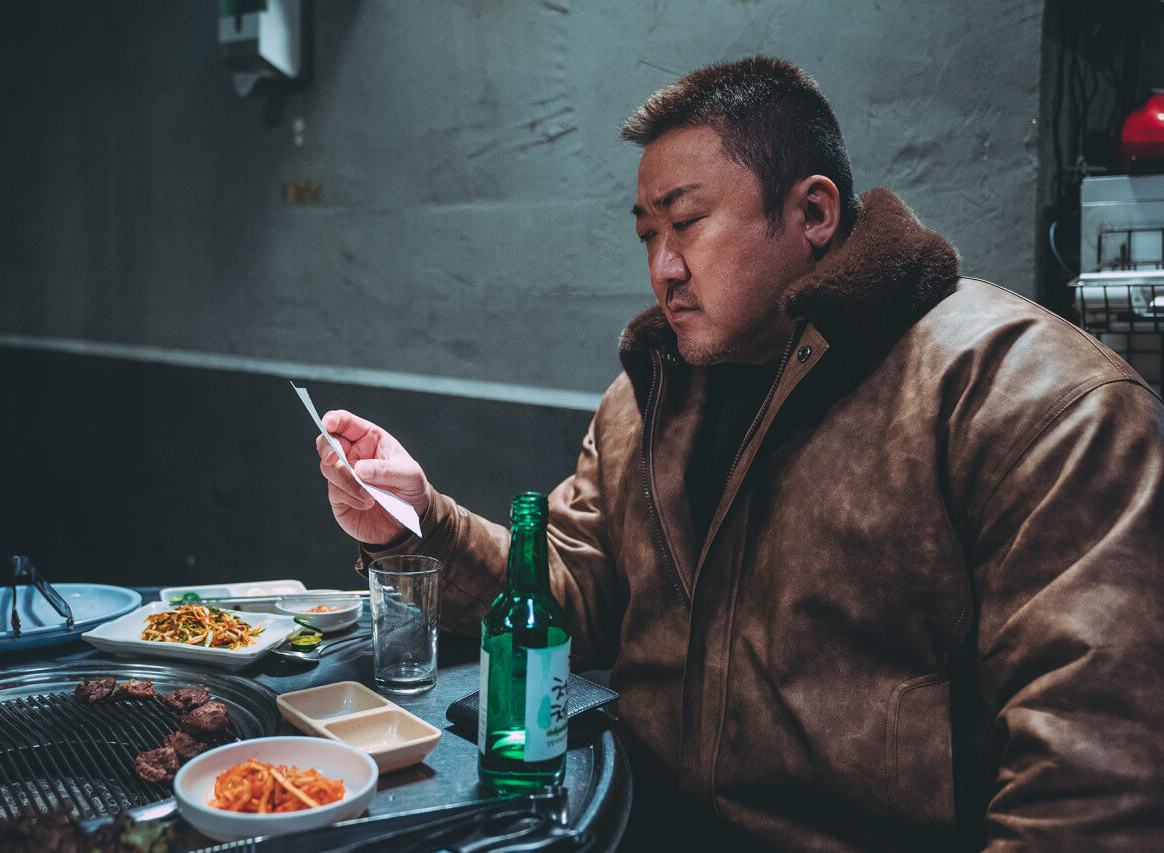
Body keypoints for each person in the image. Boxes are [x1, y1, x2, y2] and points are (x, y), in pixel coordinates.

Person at [314, 57, 1164, 850]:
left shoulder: (1029, 396)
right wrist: (418, 520)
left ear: (813, 214)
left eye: (686, 223)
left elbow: (1090, 781)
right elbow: (569, 595)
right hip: (627, 823)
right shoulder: (645, 401)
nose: (663, 267)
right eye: (647, 234)